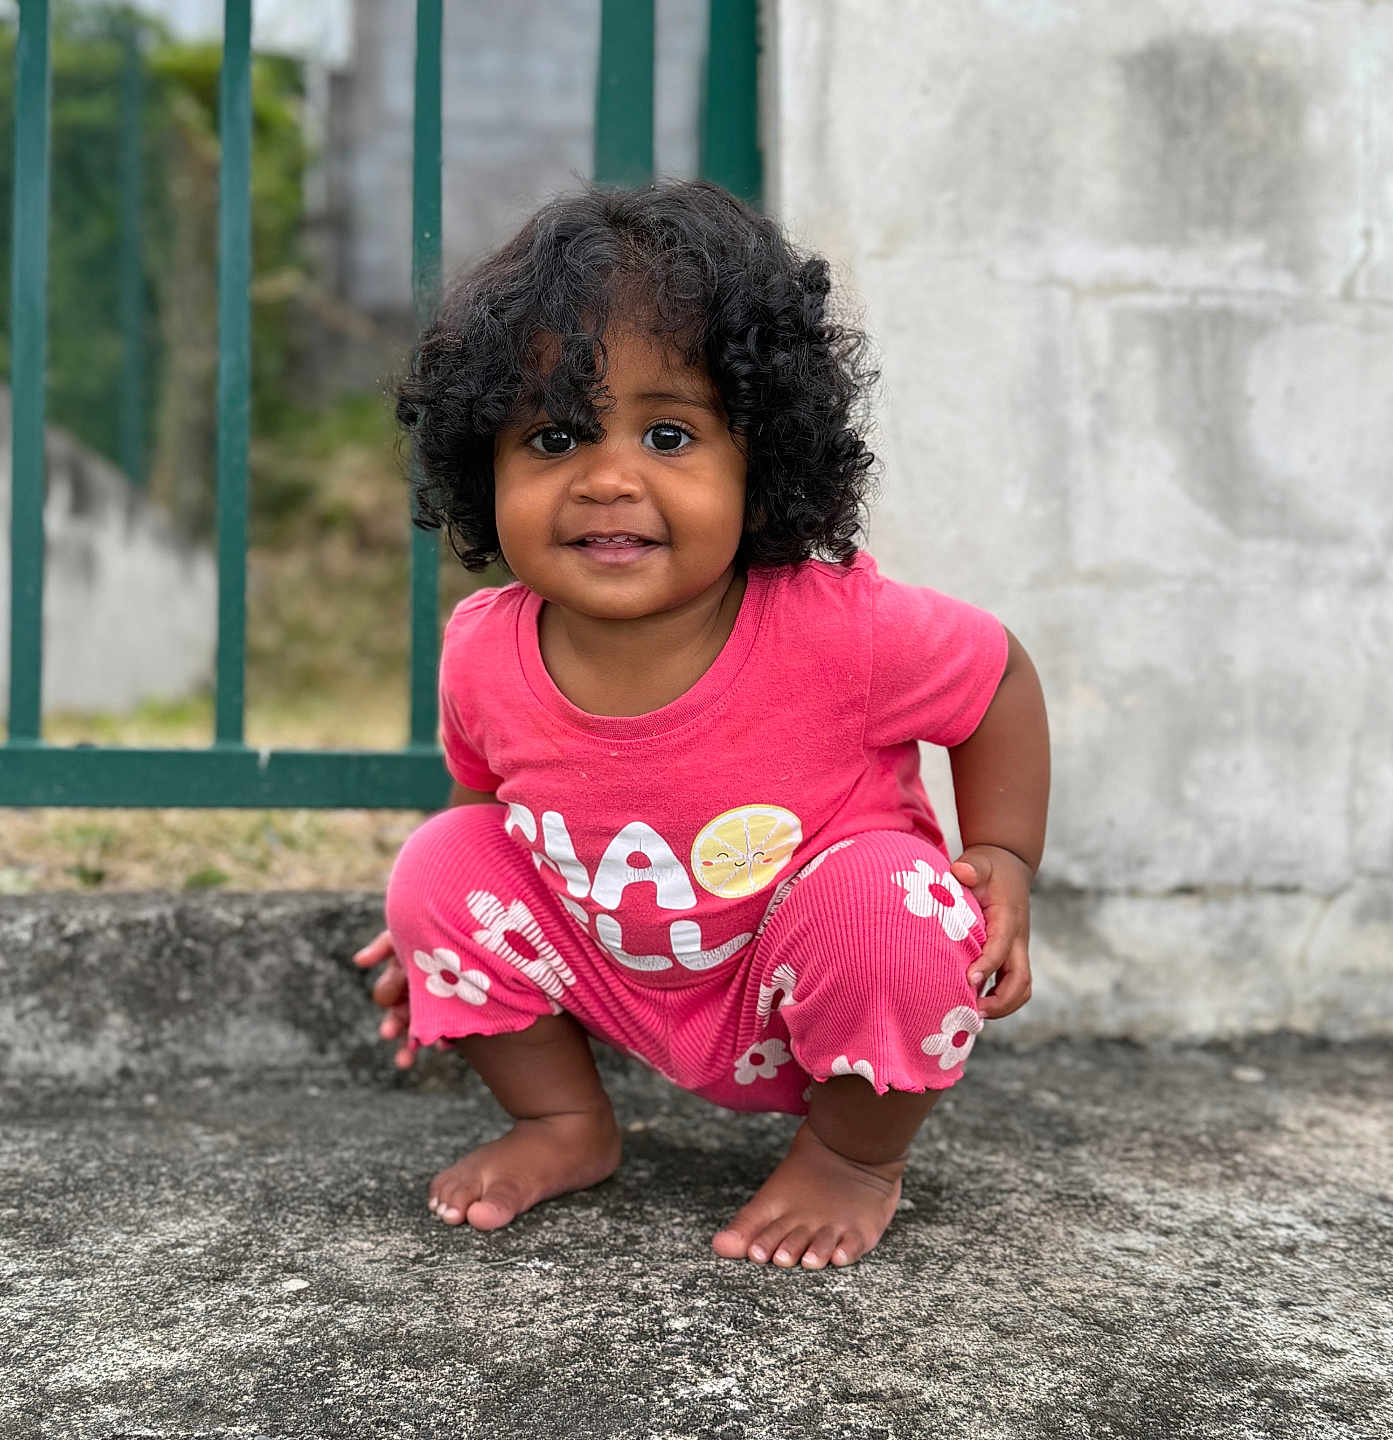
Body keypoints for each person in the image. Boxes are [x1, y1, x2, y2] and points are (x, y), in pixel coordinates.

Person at [354, 180, 1049, 1271]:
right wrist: (443, 933)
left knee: (893, 900)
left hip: (811, 983)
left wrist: (1002, 852)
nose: (607, 479)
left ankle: (854, 1156)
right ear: (481, 468)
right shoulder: (484, 648)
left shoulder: (842, 630)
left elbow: (998, 674)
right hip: (618, 968)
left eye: (669, 433)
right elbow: (488, 812)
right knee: (436, 862)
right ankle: (565, 1124)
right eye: (553, 438)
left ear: (761, 460)